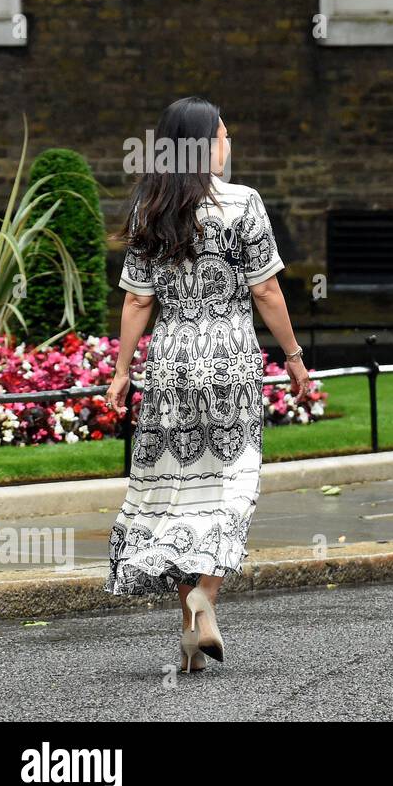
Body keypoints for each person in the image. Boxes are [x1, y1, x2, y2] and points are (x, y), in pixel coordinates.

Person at [105, 96, 311, 673]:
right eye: (222, 135)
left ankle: (189, 634)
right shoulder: (242, 203)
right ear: (202, 144)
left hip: (170, 361)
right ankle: (206, 597)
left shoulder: (151, 205)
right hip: (228, 358)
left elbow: (138, 299)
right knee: (231, 485)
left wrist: (123, 371)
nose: (229, 144)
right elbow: (267, 291)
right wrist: (293, 356)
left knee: (178, 489)